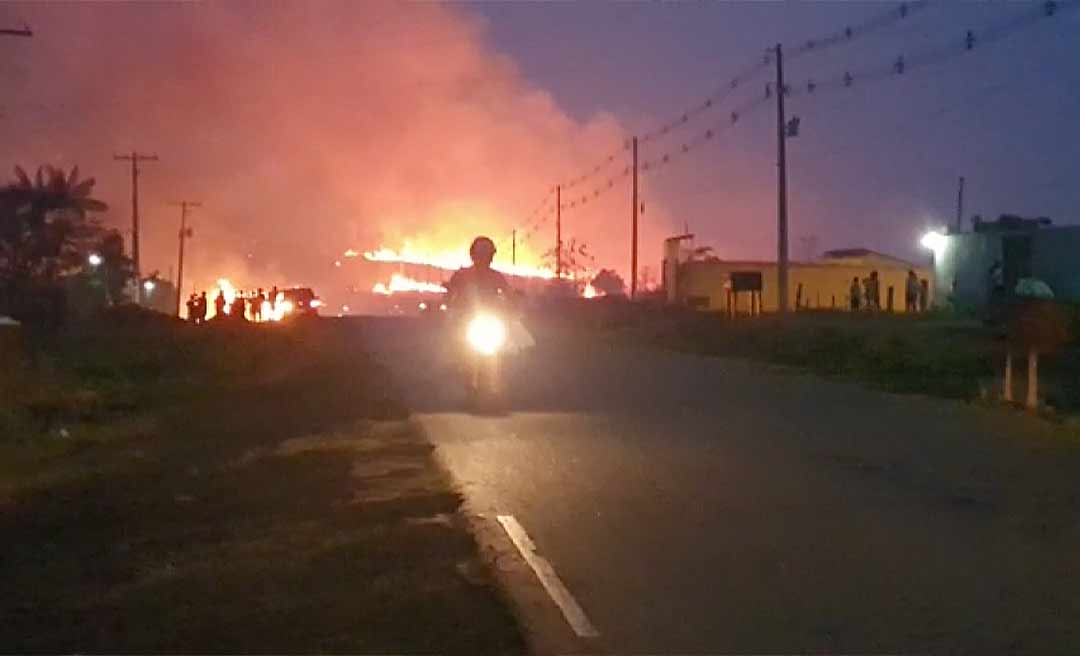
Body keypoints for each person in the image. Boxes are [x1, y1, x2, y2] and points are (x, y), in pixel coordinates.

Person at [446, 236, 512, 310]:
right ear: (473, 255)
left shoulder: (496, 277)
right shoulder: (461, 275)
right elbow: (450, 295)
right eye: (481, 255)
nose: (484, 259)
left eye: (487, 255)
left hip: (490, 312)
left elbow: (508, 294)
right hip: (465, 312)